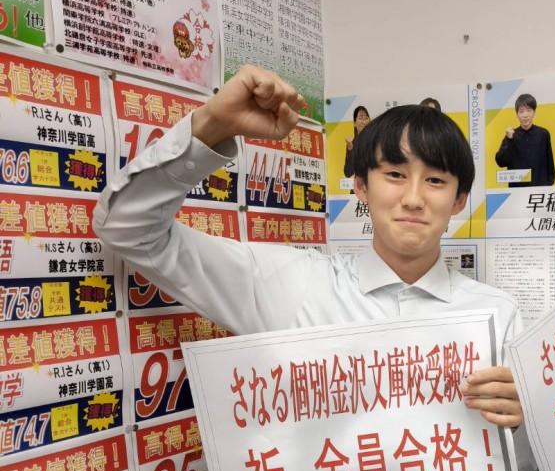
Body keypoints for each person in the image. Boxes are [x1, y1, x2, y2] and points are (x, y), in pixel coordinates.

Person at [95, 65, 530, 442]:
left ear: (459, 200)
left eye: (435, 181)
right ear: (361, 186)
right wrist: (211, 125)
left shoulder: (497, 317)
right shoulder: (294, 283)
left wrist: (521, 420)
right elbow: (130, 230)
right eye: (395, 174)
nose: (414, 199)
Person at [495, 93, 555, 187]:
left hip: (539, 188)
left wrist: (549, 185)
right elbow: (500, 162)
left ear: (534, 112)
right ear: (517, 114)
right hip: (517, 190)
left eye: (529, 110)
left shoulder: (543, 134)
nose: (525, 115)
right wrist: (508, 140)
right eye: (521, 111)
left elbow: (549, 162)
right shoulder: (511, 136)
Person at [342, 104, 371, 177]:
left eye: (366, 118)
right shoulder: (352, 144)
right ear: (355, 123)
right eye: (361, 118)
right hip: (360, 182)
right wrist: (350, 148)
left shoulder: (376, 140)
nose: (364, 122)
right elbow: (348, 173)